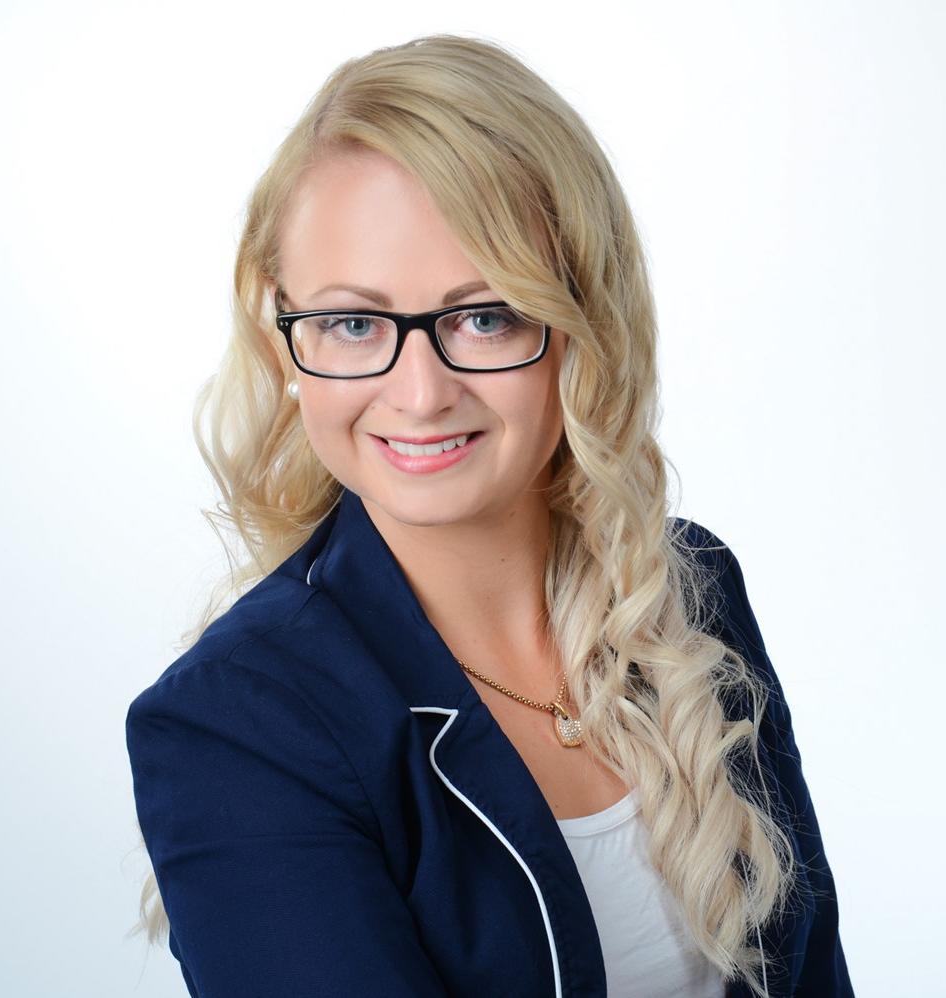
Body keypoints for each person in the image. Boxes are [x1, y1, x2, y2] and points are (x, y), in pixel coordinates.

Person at [124, 33, 853, 998]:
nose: (419, 392)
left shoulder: (688, 594)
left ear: (583, 327)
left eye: (486, 316)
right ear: (283, 342)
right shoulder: (239, 721)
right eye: (352, 323)